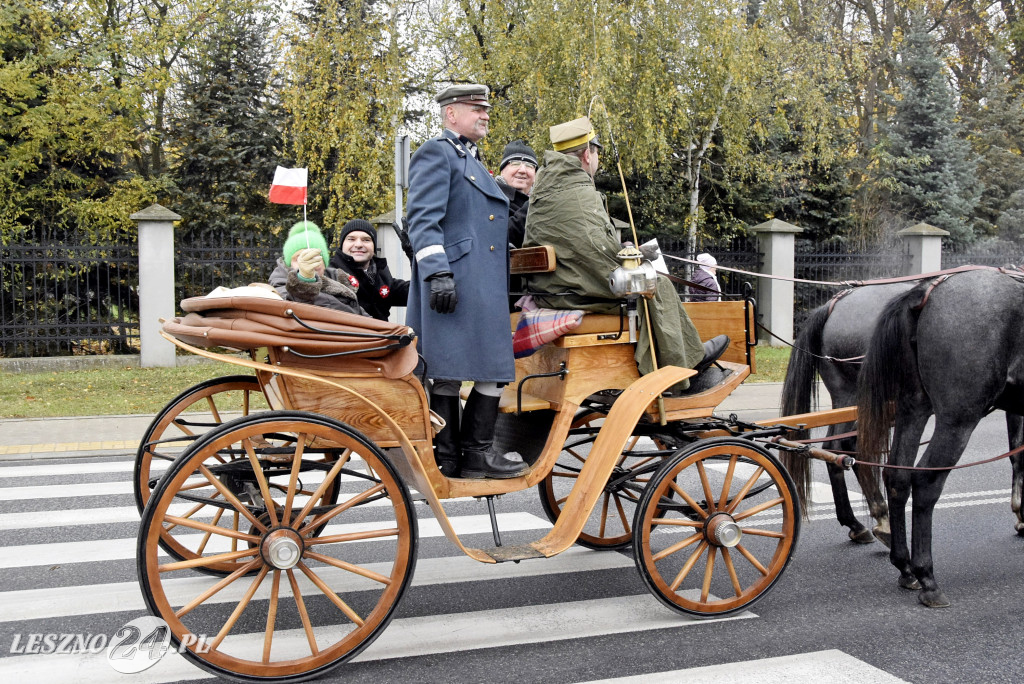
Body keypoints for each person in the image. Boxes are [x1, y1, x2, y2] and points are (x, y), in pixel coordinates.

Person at [522, 116, 728, 392]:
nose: (598, 160)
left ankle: (683, 357)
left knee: (648, 278)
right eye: (597, 153)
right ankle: (683, 365)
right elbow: (596, 252)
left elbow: (580, 245)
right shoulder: (577, 191)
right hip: (574, 291)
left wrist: (632, 253)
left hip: (552, 288)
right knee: (656, 283)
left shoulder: (547, 188)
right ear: (587, 153)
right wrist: (635, 262)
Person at [405, 83, 527, 479]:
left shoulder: (470, 160)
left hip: (478, 284)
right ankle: (463, 454)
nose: (485, 115)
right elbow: (421, 220)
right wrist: (437, 271)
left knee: (480, 368)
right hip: (456, 283)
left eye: (485, 109)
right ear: (450, 114)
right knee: (455, 369)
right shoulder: (438, 152)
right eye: (476, 108)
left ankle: (460, 455)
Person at [269, 221, 366, 316]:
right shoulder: (280, 285)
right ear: (288, 264)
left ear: (324, 262)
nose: (310, 262)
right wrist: (304, 281)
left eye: (315, 256)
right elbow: (296, 307)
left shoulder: (339, 280)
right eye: (299, 258)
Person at [328, 219, 410, 321]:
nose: (358, 245)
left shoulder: (382, 277)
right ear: (342, 245)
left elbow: (419, 293)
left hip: (382, 336)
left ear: (374, 247)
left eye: (366, 240)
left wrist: (414, 257)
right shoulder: (329, 273)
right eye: (351, 239)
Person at [495, 139, 537, 248]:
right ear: (502, 170)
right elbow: (499, 236)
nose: (523, 170)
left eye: (529, 165)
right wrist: (533, 205)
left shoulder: (544, 200)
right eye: (515, 163)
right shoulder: (492, 197)